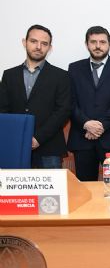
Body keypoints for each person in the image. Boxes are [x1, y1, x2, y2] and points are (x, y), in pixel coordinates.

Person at [0, 24, 71, 168]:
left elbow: (63, 111)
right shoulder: (9, 75)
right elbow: (3, 110)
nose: (39, 47)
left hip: (50, 148)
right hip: (15, 146)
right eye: (33, 41)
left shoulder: (61, 76)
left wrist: (38, 138)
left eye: (44, 43)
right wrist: (18, 138)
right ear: (24, 42)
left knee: (52, 185)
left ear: (50, 47)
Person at [67, 26, 110, 181]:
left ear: (109, 44)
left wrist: (100, 125)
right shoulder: (74, 68)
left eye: (102, 42)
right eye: (93, 42)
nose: (98, 46)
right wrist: (86, 123)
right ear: (86, 44)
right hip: (83, 138)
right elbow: (69, 101)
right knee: (85, 188)